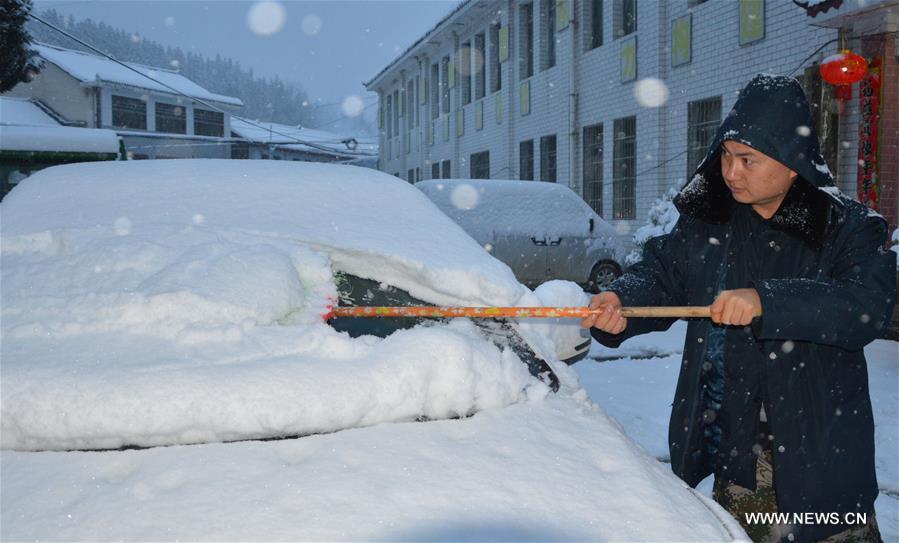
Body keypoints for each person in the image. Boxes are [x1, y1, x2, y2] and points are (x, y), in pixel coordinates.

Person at [581, 74, 896, 543]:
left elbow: (866, 307)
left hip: (820, 456)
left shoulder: (848, 228)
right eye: (726, 156)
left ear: (792, 163)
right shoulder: (712, 221)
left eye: (748, 159)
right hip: (736, 453)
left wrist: (768, 301)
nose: (731, 172)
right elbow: (663, 275)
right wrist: (622, 302)